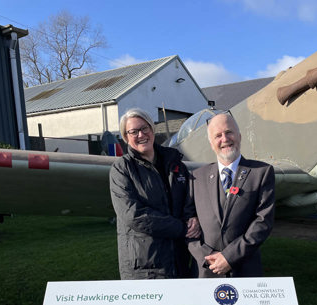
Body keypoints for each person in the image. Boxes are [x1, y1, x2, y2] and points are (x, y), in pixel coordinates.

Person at [110, 108, 199, 280]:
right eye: (133, 131)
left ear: (152, 129)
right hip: (144, 267)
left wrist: (193, 217)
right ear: (126, 137)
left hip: (179, 261)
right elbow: (133, 215)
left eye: (145, 128)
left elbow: (189, 197)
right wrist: (182, 228)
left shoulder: (175, 163)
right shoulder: (121, 169)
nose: (141, 134)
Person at [188, 111, 275, 278]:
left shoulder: (261, 173)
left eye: (229, 132)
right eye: (218, 135)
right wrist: (209, 258)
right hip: (206, 271)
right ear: (211, 143)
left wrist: (229, 257)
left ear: (239, 136)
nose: (225, 139)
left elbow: (263, 221)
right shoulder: (196, 177)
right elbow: (188, 224)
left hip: (245, 269)